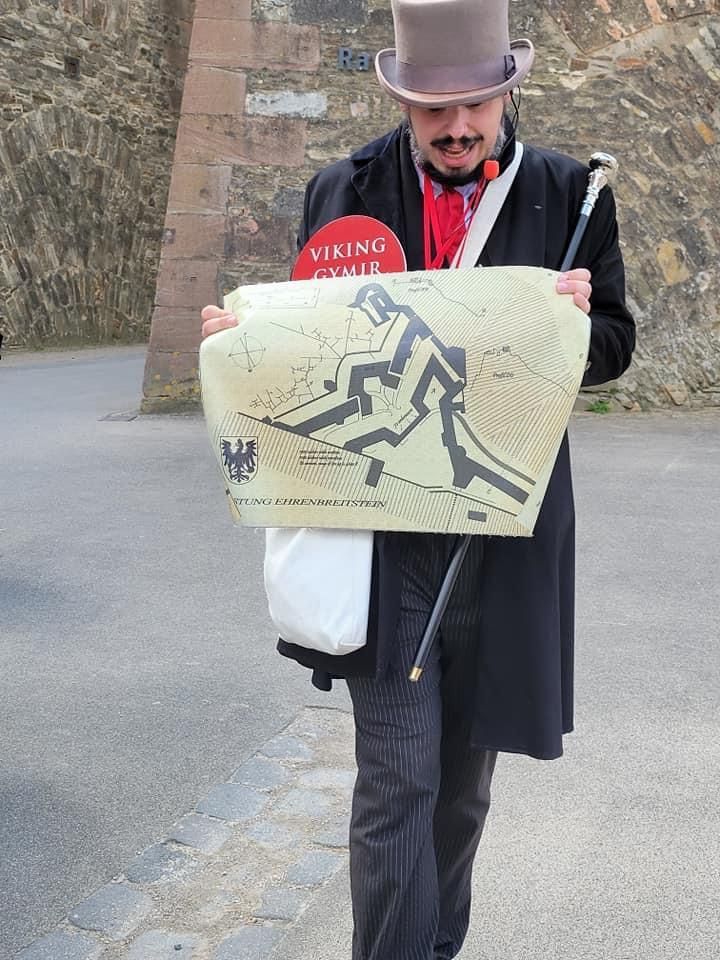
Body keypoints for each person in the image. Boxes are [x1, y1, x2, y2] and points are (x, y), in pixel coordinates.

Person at [201, 0, 636, 956]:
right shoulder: (344, 188)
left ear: (506, 92)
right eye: (434, 110)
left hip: (503, 525)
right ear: (400, 101)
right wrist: (245, 347)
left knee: (463, 784)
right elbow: (307, 338)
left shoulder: (568, 194)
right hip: (381, 530)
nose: (456, 127)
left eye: (475, 105)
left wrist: (572, 327)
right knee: (397, 775)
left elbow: (615, 347)